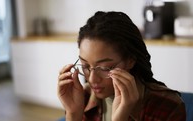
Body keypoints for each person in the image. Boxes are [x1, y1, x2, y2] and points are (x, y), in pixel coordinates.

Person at [57, 11, 186, 121]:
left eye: (104, 68)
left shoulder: (168, 107)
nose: (91, 80)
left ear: (130, 60)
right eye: (85, 66)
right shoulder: (82, 98)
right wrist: (73, 114)